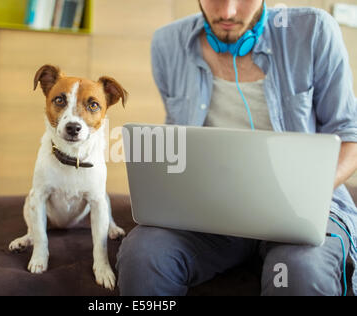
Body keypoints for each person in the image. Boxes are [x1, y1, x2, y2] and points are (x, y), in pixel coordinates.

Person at [116, 0, 357, 296]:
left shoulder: (313, 30)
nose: (228, 12)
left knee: (299, 270)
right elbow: (176, 140)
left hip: (300, 216)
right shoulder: (168, 43)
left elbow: (349, 136)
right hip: (210, 212)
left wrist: (308, 193)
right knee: (143, 254)